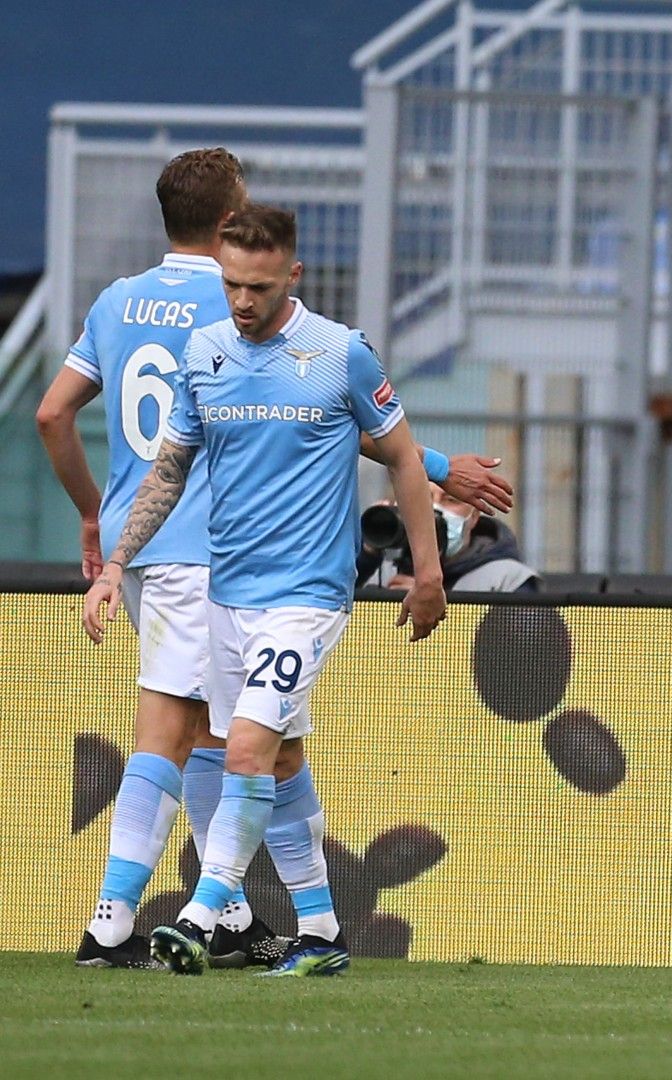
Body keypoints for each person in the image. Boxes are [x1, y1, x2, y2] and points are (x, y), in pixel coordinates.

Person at [37, 149, 508, 970]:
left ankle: (202, 910)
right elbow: (206, 450)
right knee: (243, 744)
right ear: (225, 231)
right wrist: (438, 467)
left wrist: (98, 525)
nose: (245, 298)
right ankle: (296, 930)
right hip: (211, 562)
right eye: (236, 281)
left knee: (226, 739)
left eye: (259, 285)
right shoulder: (210, 339)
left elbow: (53, 414)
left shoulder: (124, 303)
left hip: (248, 574)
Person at [361, 485, 539, 592]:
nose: (433, 509)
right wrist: (367, 553)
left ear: (474, 516)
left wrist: (432, 608)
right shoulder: (381, 571)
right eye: (422, 497)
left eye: (451, 500)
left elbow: (523, 651)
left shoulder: (507, 579)